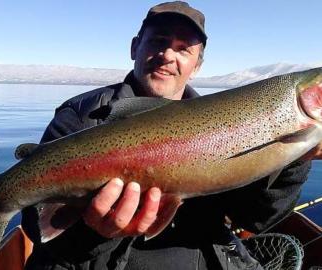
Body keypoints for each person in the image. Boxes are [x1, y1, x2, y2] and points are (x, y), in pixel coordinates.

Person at [22, 2, 314, 269]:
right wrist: (93, 231)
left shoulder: (230, 124)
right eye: (158, 42)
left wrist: (297, 157)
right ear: (135, 47)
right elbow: (38, 226)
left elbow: (255, 219)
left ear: (197, 64)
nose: (167, 56)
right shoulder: (81, 116)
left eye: (184, 48)